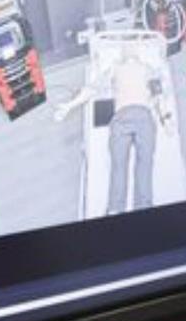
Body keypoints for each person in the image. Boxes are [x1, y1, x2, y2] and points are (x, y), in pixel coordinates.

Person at [56, 46, 160, 215]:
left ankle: (120, 208)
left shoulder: (145, 69)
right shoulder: (122, 68)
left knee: (133, 165)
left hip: (132, 117)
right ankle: (123, 208)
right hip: (134, 117)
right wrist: (69, 106)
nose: (129, 50)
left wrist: (167, 116)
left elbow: (158, 96)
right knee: (133, 165)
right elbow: (91, 89)